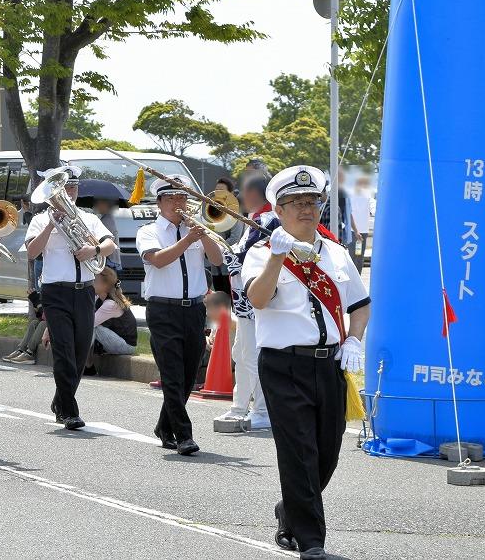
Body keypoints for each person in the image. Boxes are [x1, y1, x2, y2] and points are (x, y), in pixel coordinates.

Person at [244, 165, 370, 558]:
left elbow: (361, 305)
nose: (305, 209)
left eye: (312, 201)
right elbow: (258, 300)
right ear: (277, 211)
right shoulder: (261, 253)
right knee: (299, 450)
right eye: (295, 203)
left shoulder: (335, 253)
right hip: (284, 366)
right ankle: (312, 541)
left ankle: (291, 509)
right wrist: (277, 260)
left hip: (330, 364)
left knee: (327, 453)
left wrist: (353, 340)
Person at [136, 174, 223, 455]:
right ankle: (184, 435)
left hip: (194, 309)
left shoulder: (196, 229)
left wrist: (202, 234)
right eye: (172, 198)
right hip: (163, 309)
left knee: (187, 375)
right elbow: (158, 260)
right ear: (160, 202)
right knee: (172, 374)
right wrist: (188, 241)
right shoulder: (148, 231)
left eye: (183, 197)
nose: (179, 202)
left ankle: (164, 425)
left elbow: (218, 259)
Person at [25, 165, 116, 431]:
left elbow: (110, 244)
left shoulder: (87, 218)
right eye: (64, 189)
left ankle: (60, 400)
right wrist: (51, 226)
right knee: (64, 350)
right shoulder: (41, 219)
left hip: (85, 290)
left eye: (73, 188)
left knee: (79, 349)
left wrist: (94, 249)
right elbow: (32, 252)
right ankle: (68, 410)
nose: (69, 193)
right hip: (55, 291)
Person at [216, 173, 274, 430]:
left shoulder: (267, 220)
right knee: (241, 353)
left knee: (253, 356)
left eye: (243, 193)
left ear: (253, 194)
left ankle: (261, 410)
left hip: (255, 301)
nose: (240, 198)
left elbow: (244, 256)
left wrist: (218, 242)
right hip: (244, 301)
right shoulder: (255, 219)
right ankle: (240, 406)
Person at [82, 267, 137, 375]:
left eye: (95, 281)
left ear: (105, 286)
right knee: (89, 325)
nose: (91, 283)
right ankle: (85, 364)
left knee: (93, 327)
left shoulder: (110, 304)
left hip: (126, 346)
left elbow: (89, 323)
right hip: (114, 340)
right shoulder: (98, 299)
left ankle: (87, 366)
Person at [90, 198, 121, 270]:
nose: (96, 206)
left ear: (106, 205)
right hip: (109, 258)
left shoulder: (108, 218)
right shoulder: (104, 217)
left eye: (99, 204)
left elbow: (103, 239)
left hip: (110, 259)